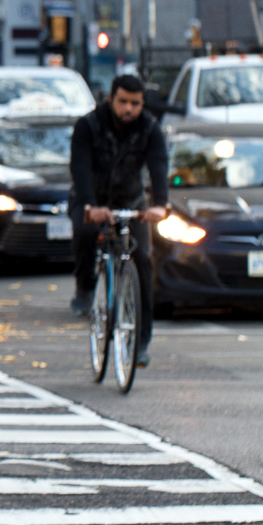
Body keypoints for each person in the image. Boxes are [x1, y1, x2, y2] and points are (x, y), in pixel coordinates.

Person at [69, 71, 168, 366]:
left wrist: (160, 205)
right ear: (111, 99)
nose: (129, 109)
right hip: (93, 199)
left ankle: (140, 343)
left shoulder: (150, 129)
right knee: (85, 232)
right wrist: (89, 205)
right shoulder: (88, 125)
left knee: (144, 261)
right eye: (123, 102)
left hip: (130, 202)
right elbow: (80, 167)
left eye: (135, 103)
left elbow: (158, 166)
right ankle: (85, 286)